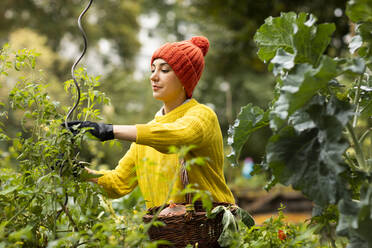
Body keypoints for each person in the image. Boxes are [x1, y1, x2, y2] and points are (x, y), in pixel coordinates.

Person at [66, 36, 235, 209]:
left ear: (185, 79)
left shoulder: (203, 115)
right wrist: (74, 170)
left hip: (211, 227)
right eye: (152, 69)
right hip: (168, 232)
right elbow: (117, 183)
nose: (153, 77)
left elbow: (179, 136)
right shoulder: (147, 134)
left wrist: (107, 130)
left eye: (165, 70)